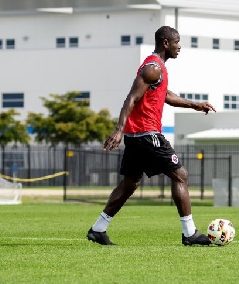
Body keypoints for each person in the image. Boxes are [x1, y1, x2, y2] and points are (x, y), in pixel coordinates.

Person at [87, 25, 216, 246]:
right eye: (176, 42)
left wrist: (194, 104)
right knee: (180, 175)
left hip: (137, 136)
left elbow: (165, 94)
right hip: (147, 133)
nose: (179, 47)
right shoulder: (153, 67)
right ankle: (190, 233)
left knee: (129, 183)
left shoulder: (158, 69)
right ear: (165, 43)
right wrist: (118, 129)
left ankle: (98, 229)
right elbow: (131, 98)